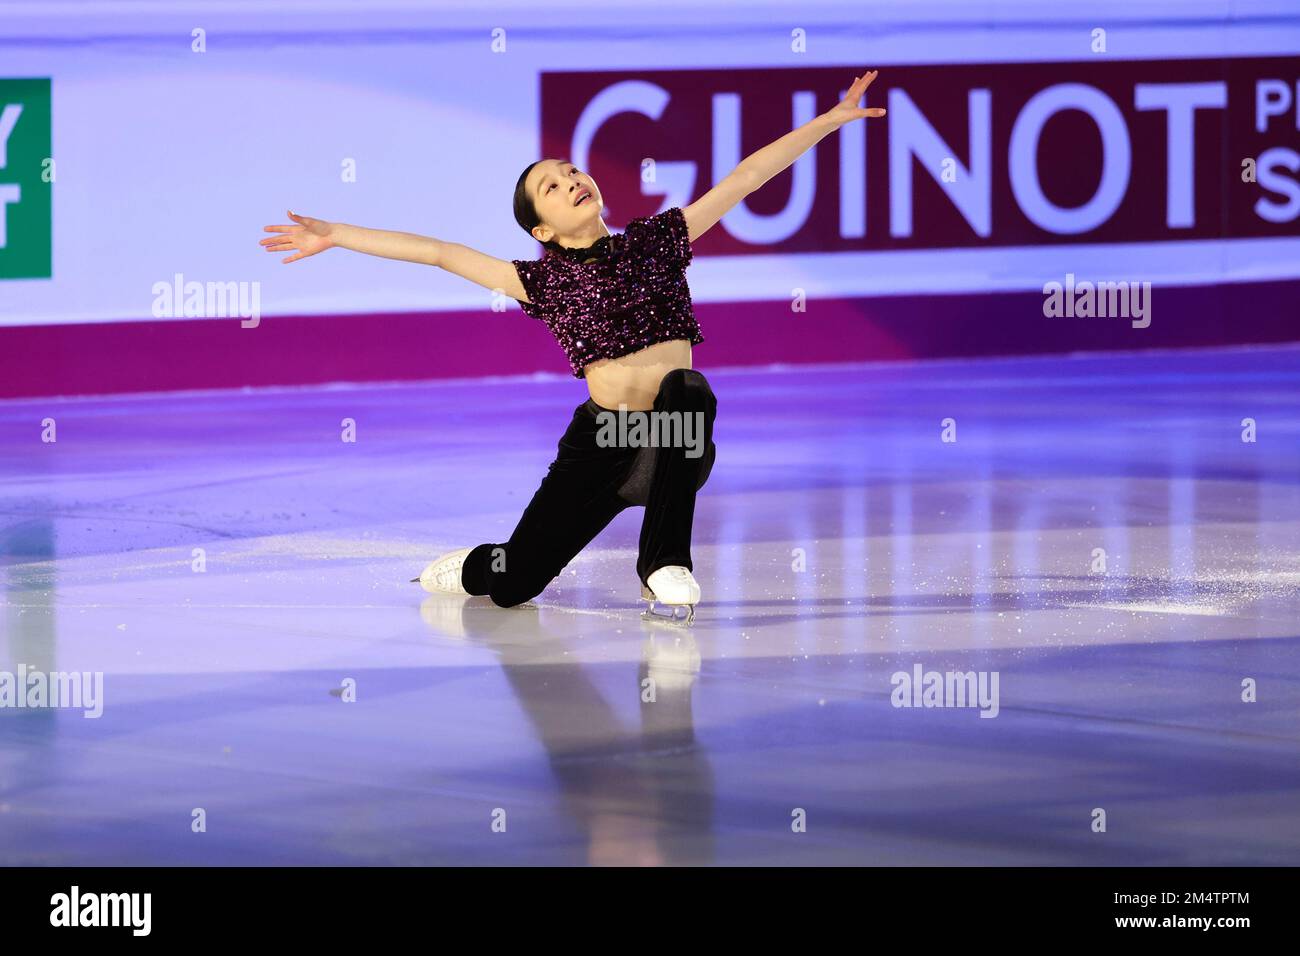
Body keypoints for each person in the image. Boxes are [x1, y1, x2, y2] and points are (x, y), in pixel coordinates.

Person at [259, 70, 886, 622]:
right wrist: (338, 233)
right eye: (552, 188)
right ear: (541, 228)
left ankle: (663, 561)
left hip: (678, 448)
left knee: (687, 387)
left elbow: (747, 177)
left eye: (570, 172)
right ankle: (480, 566)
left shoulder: (660, 239)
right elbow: (438, 252)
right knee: (516, 586)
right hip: (603, 446)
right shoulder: (541, 280)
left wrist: (829, 122)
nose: (570, 182)